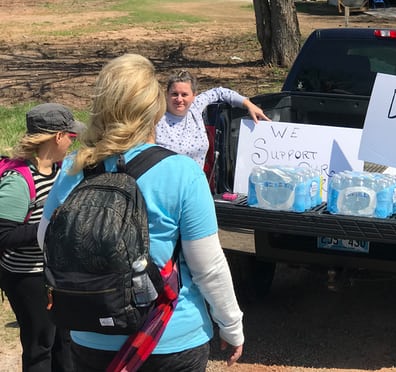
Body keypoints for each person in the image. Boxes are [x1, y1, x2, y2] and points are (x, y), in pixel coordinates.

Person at [37, 54, 244, 371]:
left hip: (89, 335)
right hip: (169, 337)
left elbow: (46, 240)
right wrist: (230, 326)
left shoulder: (73, 168)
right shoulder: (182, 172)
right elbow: (209, 267)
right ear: (155, 110)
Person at [0, 103, 84, 372]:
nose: (73, 143)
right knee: (40, 345)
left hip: (56, 273)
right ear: (57, 137)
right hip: (27, 276)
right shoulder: (18, 181)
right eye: (71, 137)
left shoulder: (60, 171)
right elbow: (4, 235)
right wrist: (54, 225)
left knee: (65, 341)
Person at [155, 69, 270, 169]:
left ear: (194, 95)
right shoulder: (156, 118)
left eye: (184, 94)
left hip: (195, 184)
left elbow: (220, 92)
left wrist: (248, 104)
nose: (179, 99)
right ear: (167, 94)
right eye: (174, 94)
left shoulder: (195, 107)